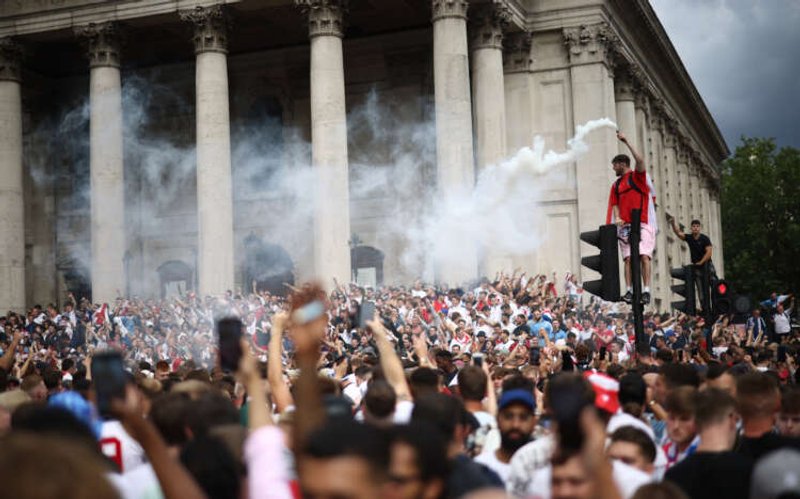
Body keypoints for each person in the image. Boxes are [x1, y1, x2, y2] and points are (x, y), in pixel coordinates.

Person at [664, 388, 752, 499]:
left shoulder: (674, 475)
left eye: (684, 418)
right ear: (732, 419)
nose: (676, 426)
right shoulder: (748, 471)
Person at [607, 131, 654, 305]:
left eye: (614, 165)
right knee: (627, 259)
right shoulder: (616, 185)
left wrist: (626, 141)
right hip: (625, 226)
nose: (613, 169)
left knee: (643, 256)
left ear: (622, 164)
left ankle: (646, 290)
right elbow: (614, 204)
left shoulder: (637, 177)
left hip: (641, 223)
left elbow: (640, 161)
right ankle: (629, 290)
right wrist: (617, 217)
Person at [474, 382, 537, 483]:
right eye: (508, 416)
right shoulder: (479, 469)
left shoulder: (545, 471)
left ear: (534, 422)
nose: (515, 424)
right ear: (498, 419)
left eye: (523, 417)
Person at [667, 217, 714, 306]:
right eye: (693, 226)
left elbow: (709, 253)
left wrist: (701, 262)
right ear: (691, 228)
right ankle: (704, 307)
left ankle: (715, 304)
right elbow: (678, 233)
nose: (695, 228)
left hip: (707, 266)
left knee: (714, 284)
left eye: (697, 226)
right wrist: (673, 224)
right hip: (697, 268)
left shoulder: (705, 239)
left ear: (700, 228)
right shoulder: (689, 238)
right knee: (700, 291)